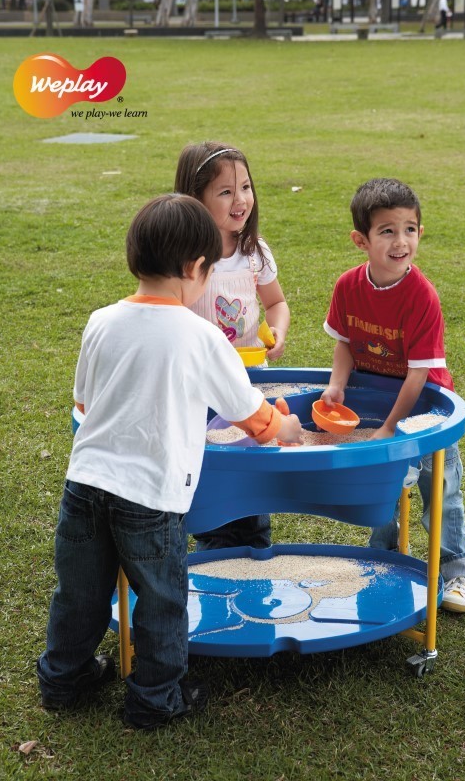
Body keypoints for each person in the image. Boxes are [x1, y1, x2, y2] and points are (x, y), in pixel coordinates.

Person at [37, 194, 302, 730]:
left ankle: (64, 679)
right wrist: (287, 427)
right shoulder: (201, 336)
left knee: (80, 592)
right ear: (193, 269)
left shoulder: (100, 321)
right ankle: (155, 698)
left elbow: (85, 404)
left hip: (85, 485)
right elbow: (252, 416)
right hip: (151, 497)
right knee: (161, 599)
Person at [322, 178, 465, 613]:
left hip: (425, 402)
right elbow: (345, 343)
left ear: (420, 234)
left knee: (439, 487)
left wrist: (391, 428)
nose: (400, 241)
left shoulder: (422, 297)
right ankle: (382, 559)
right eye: (387, 230)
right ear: (361, 240)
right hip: (376, 396)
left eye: (409, 229)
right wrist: (336, 384)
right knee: (382, 484)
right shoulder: (348, 286)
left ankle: (457, 569)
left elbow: (417, 375)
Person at [174, 140, 290, 552]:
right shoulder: (187, 259)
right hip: (201, 385)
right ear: (194, 200)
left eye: (245, 187)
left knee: (250, 459)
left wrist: (275, 331)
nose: (240, 200)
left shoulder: (254, 253)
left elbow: (276, 303)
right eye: (225, 192)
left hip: (248, 379)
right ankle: (213, 536)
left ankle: (254, 539)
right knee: (210, 463)